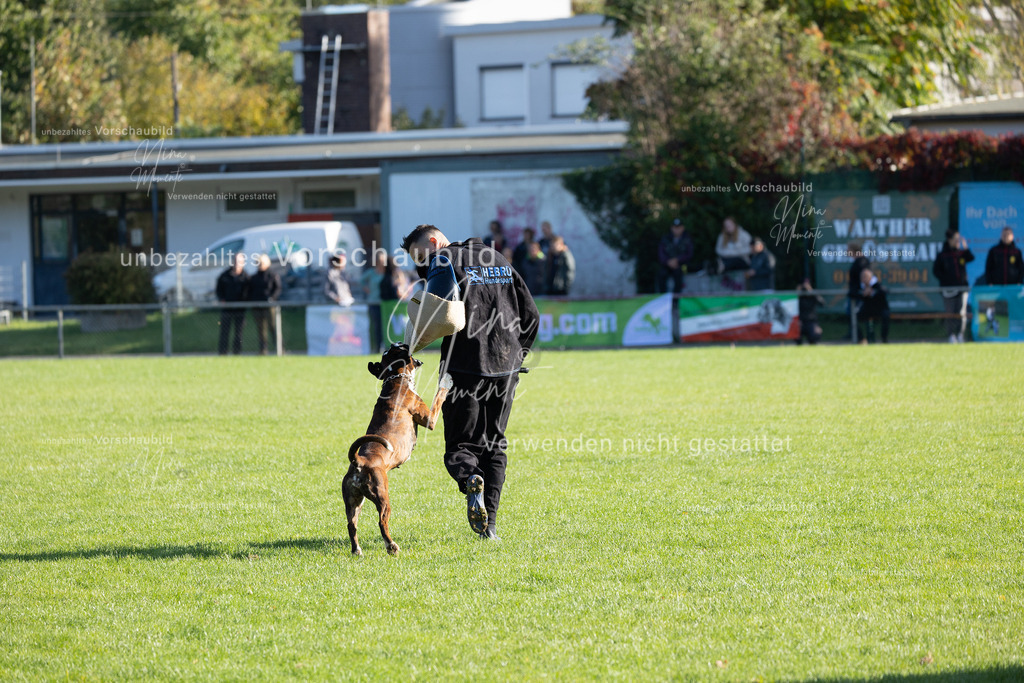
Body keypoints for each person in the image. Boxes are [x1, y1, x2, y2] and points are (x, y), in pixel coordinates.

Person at [400, 224, 539, 541]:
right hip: (506, 367)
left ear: (434, 242)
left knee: (460, 448)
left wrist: (412, 342)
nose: (423, 266)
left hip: (464, 368)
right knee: (495, 445)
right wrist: (519, 354)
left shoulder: (444, 259)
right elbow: (530, 313)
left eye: (422, 258)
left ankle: (470, 478)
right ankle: (489, 528)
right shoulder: (497, 257)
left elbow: (437, 313)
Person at [933, 229, 975, 343]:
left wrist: (965, 246)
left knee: (961, 312)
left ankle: (960, 334)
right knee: (950, 312)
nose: (958, 241)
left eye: (959, 239)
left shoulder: (961, 253)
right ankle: (951, 335)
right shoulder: (943, 255)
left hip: (962, 288)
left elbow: (971, 257)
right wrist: (947, 280)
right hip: (948, 290)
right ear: (949, 240)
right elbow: (936, 271)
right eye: (956, 239)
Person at [216, 252, 249, 355]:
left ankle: (237, 352)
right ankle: (223, 352)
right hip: (227, 308)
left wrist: (244, 301)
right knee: (224, 331)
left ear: (243, 263)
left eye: (239, 261)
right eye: (235, 261)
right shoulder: (224, 275)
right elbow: (219, 290)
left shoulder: (245, 277)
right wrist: (222, 299)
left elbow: (248, 291)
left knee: (239, 333)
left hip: (240, 309)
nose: (236, 264)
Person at [248, 254, 281, 355]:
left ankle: (280, 348)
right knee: (261, 329)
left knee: (273, 327)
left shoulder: (272, 275)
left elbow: (277, 288)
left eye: (261, 263)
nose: (259, 265)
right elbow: (250, 291)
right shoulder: (254, 277)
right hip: (257, 306)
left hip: (269, 306)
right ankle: (263, 350)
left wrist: (272, 298)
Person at [657, 219, 694, 294]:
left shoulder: (687, 239)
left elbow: (689, 254)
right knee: (661, 274)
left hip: (682, 265)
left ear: (682, 228)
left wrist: (678, 260)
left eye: (678, 227)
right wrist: (668, 262)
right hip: (667, 265)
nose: (676, 230)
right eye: (675, 227)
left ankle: (676, 300)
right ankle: (663, 299)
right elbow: (661, 254)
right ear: (671, 228)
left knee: (679, 274)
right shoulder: (665, 239)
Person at [857, 268, 890, 344]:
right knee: (853, 317)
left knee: (885, 316)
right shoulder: (861, 286)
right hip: (868, 310)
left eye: (866, 277)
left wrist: (872, 292)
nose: (864, 279)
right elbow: (852, 293)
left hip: (880, 309)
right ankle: (863, 339)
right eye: (862, 277)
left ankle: (884, 338)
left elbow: (885, 291)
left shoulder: (877, 284)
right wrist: (863, 293)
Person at [847, 242, 871, 339]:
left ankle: (862, 338)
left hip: (859, 295)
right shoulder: (857, 261)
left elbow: (866, 275)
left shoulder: (862, 261)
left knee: (855, 315)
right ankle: (857, 336)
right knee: (850, 314)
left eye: (848, 249)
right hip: (854, 294)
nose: (846, 251)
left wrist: (867, 287)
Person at [796, 278, 824, 345]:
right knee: (796, 335)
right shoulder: (798, 297)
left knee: (815, 336)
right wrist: (797, 293)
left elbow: (822, 303)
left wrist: (812, 292)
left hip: (811, 322)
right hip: (800, 321)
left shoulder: (812, 296)